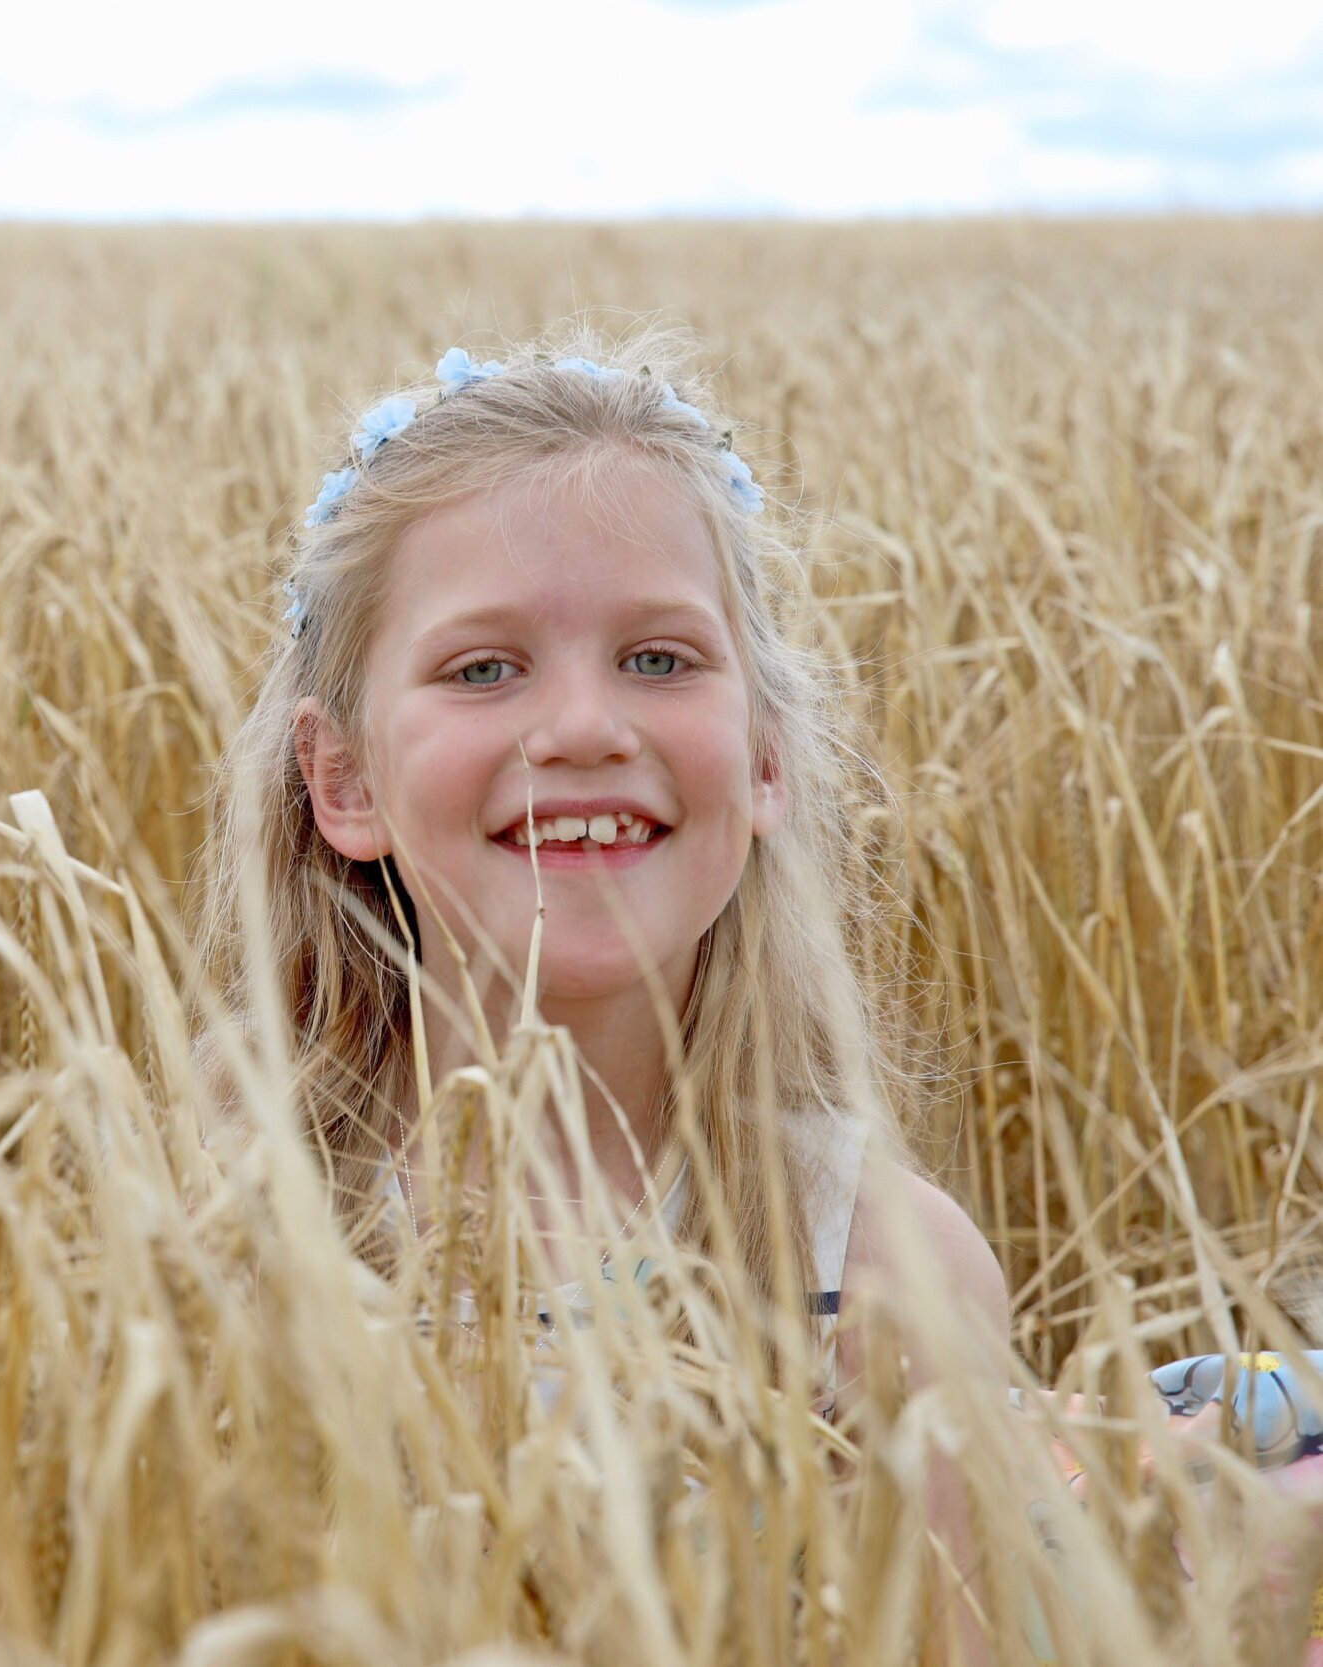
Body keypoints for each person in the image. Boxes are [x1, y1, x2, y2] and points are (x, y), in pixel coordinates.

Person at [201, 325, 1009, 1389]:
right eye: (483, 668)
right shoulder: (226, 1237)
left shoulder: (877, 1271)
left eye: (658, 658)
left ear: (765, 753)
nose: (584, 727)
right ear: (342, 779)